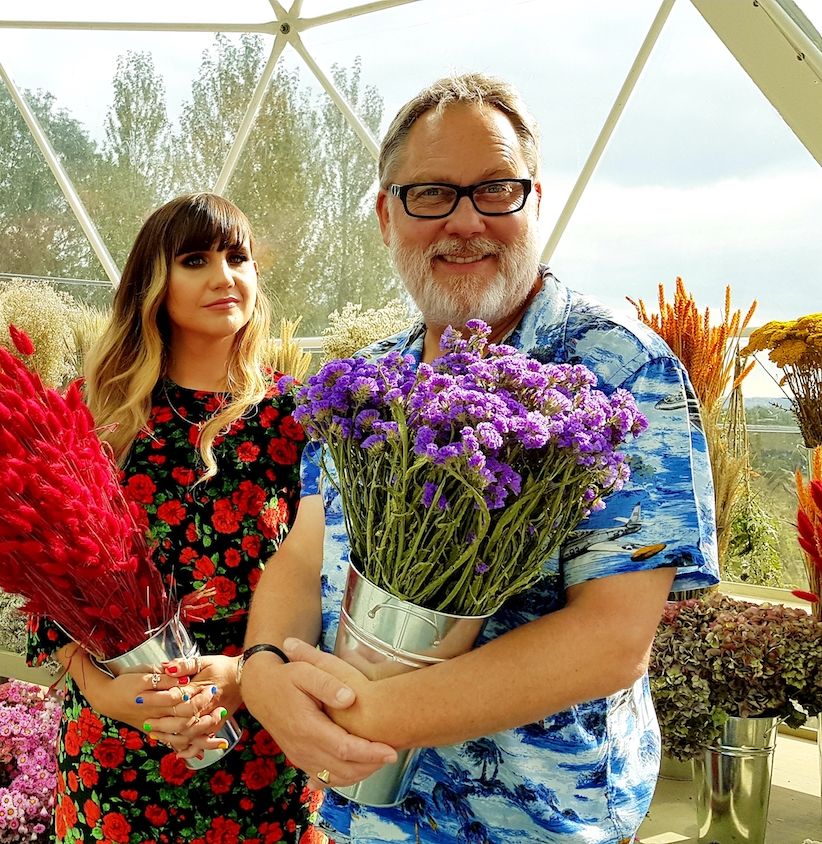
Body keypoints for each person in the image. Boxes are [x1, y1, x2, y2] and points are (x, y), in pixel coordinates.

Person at [240, 73, 720, 844]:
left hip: (537, 825)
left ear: (536, 202)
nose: (465, 222)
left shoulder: (619, 369)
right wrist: (262, 673)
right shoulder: (367, 382)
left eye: (495, 190)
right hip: (365, 818)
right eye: (431, 193)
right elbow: (305, 554)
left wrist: (350, 718)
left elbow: (610, 641)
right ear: (386, 213)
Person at [29, 193, 319, 844]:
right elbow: (39, 571)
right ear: (153, 288)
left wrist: (247, 678)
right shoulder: (95, 416)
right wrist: (100, 691)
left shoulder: (298, 420)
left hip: (259, 755)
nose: (225, 275)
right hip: (116, 757)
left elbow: (332, 586)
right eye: (196, 259)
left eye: (238, 256)